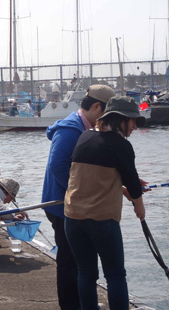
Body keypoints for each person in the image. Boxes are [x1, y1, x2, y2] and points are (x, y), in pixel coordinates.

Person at [64, 96, 147, 310]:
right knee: (116, 275)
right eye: (132, 120)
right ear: (120, 119)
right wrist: (139, 206)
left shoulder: (85, 137)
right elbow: (133, 182)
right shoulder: (121, 145)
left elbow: (92, 176)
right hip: (102, 220)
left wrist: (121, 188)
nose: (134, 126)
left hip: (73, 218)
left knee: (86, 273)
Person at [41, 84, 116, 310]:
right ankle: (71, 305)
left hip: (75, 203)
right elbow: (58, 166)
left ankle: (83, 302)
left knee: (80, 258)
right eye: (106, 114)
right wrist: (81, 193)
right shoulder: (70, 129)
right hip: (61, 204)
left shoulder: (86, 128)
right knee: (69, 260)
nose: (108, 121)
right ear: (95, 107)